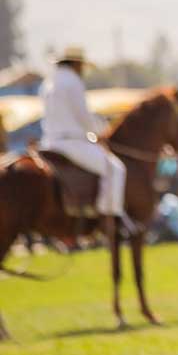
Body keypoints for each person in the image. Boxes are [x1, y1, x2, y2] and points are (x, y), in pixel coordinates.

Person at [38, 45, 134, 231]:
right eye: (81, 65)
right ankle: (109, 218)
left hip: (49, 142)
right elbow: (83, 116)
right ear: (76, 64)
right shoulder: (73, 82)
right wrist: (100, 131)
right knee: (115, 168)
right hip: (72, 143)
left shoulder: (48, 83)